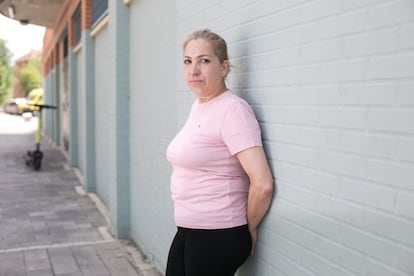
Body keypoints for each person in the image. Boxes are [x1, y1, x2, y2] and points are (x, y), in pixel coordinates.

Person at [166, 29, 274, 276]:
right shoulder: (200, 106)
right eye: (187, 61)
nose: (194, 70)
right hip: (189, 230)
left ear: (224, 68)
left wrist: (250, 226)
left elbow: (263, 183)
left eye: (204, 61)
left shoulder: (233, 111)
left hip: (218, 233)